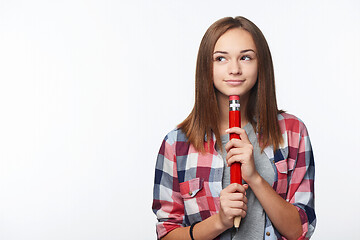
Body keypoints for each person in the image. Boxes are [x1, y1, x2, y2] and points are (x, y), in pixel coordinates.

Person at [152, 16, 316, 240]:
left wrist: (254, 177)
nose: (234, 69)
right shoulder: (177, 144)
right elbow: (167, 234)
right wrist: (219, 221)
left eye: (246, 57)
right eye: (221, 58)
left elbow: (300, 231)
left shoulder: (291, 131)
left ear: (261, 64)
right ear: (206, 67)